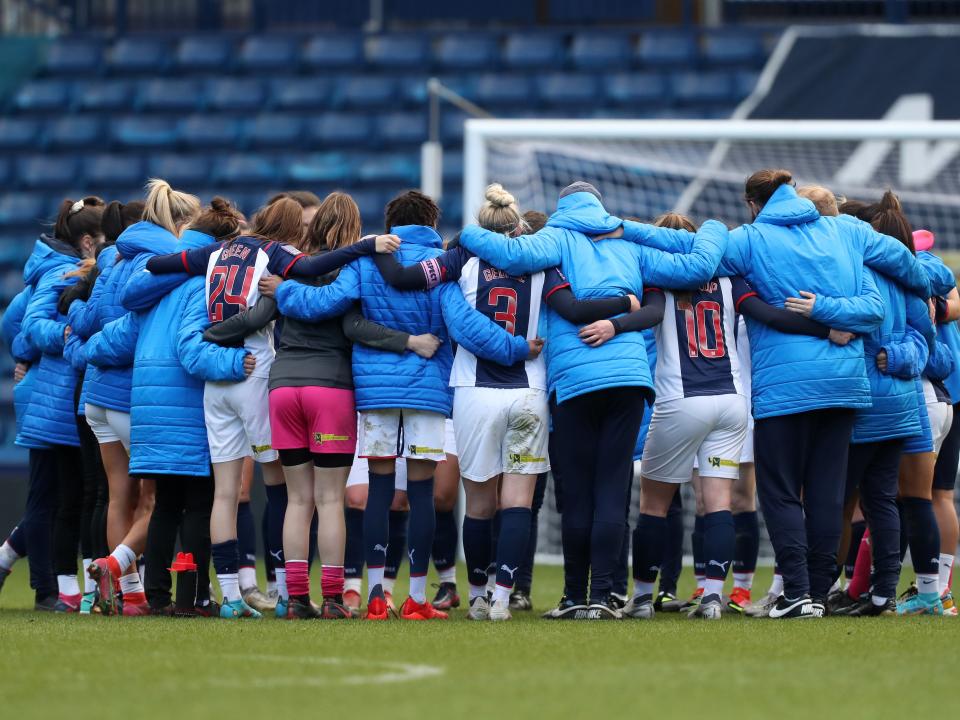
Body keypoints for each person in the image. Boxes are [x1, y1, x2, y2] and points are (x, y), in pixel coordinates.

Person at [616, 169, 930, 618]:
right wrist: (935, 289)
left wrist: (628, 230)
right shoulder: (847, 231)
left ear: (752, 203)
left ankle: (797, 592)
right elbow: (901, 266)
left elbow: (694, 256)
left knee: (780, 492)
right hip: (843, 386)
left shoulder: (748, 239)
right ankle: (818, 594)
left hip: (781, 387)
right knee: (826, 492)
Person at [455, 182, 728, 618]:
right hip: (630, 381)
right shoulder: (632, 245)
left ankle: (571, 597)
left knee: (576, 495)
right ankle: (603, 596)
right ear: (601, 207)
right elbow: (697, 266)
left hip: (575, 384)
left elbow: (510, 255)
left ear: (563, 208)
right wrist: (714, 226)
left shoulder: (557, 240)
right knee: (611, 490)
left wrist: (466, 233)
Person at [264, 189, 536, 621]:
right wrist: (516, 348)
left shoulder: (368, 259)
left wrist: (283, 293)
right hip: (428, 390)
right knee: (422, 493)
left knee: (379, 488)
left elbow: (323, 304)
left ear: (391, 222)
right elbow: (465, 326)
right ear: (431, 221)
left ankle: (375, 595)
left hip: (375, 392)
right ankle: (415, 598)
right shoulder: (444, 264)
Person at [89, 195, 251, 616]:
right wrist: (238, 362)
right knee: (198, 504)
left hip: (146, 406)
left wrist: (79, 345)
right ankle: (194, 597)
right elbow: (190, 351)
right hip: (185, 407)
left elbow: (115, 341)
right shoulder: (201, 284)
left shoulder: (154, 283)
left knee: (164, 505)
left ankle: (157, 596)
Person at [65, 198, 154, 615]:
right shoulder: (148, 264)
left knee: (118, 496)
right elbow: (134, 333)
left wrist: (83, 327)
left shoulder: (107, 265)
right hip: (128, 397)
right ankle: (115, 570)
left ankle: (129, 595)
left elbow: (84, 322)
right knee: (151, 501)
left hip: (96, 397)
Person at [19, 197, 105, 612]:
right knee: (57, 501)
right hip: (57, 402)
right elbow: (32, 326)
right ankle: (49, 591)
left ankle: (61, 589)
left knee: (71, 497)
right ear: (88, 241)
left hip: (65, 397)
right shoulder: (59, 270)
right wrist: (72, 333)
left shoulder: (62, 266)